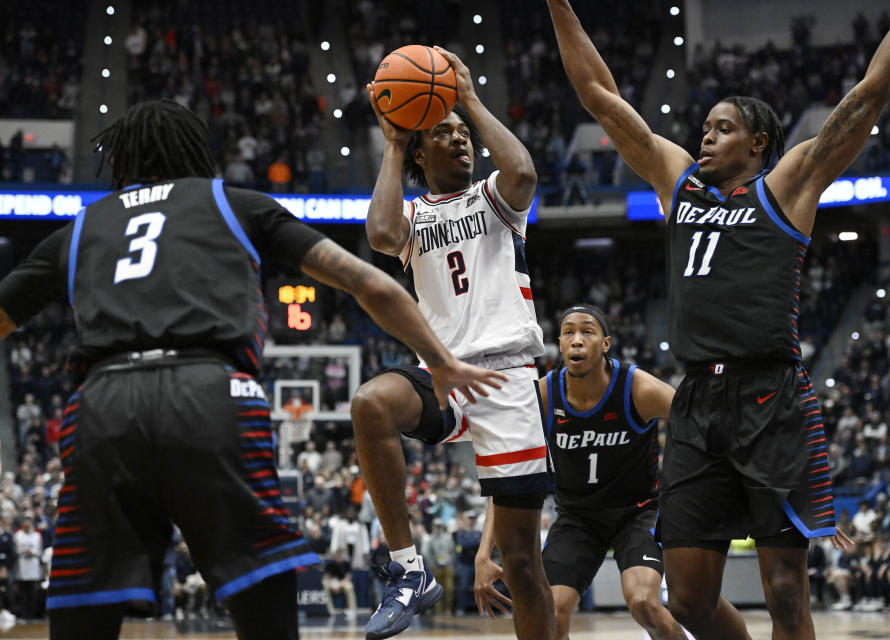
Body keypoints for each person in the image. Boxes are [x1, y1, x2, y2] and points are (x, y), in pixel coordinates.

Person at [0, 99, 505, 640]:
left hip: (102, 405)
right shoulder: (230, 203)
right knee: (260, 588)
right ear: (196, 153)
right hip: (208, 395)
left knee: (84, 601)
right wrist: (443, 360)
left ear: (120, 164)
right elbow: (373, 285)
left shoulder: (81, 228)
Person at [544, 0, 890, 637]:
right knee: (689, 599)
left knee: (785, 592)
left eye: (722, 129)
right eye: (704, 128)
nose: (705, 137)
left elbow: (870, 94)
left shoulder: (789, 186)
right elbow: (598, 94)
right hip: (698, 400)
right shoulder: (681, 184)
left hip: (770, 397)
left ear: (758, 142)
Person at [353, 46, 554, 640]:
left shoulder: (496, 198)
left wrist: (467, 99)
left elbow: (523, 173)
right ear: (421, 151)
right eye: (443, 133)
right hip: (443, 373)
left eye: (463, 133)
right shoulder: (413, 216)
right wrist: (392, 142)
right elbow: (381, 235)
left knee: (520, 564)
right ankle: (409, 569)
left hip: (509, 376)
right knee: (370, 402)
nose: (461, 139)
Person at [475, 305, 686, 640]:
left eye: (587, 331)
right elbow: (507, 474)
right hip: (577, 518)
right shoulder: (543, 395)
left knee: (644, 603)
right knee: (551, 612)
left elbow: (697, 424)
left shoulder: (637, 388)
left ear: (605, 343)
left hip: (638, 513)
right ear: (558, 344)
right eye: (568, 332)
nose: (577, 340)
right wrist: (484, 553)